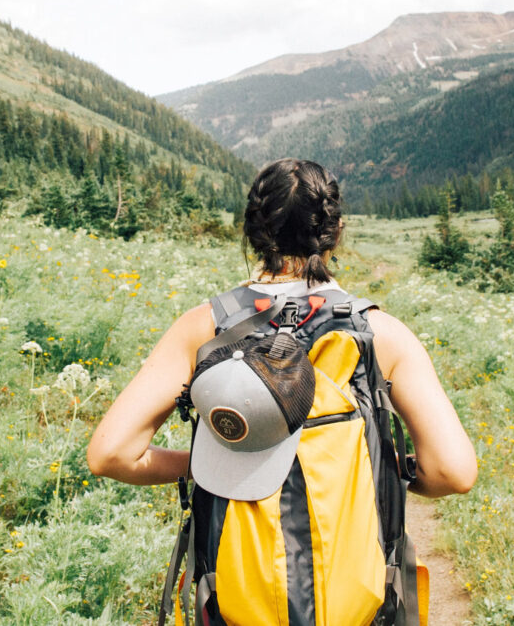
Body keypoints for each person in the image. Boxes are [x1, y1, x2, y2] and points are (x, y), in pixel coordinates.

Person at [87, 158, 476, 498]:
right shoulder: (381, 332)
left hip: (233, 578)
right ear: (336, 232)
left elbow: (112, 454)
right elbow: (452, 473)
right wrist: (378, 468)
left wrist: (205, 466)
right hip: (354, 580)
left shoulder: (204, 326)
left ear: (253, 233)